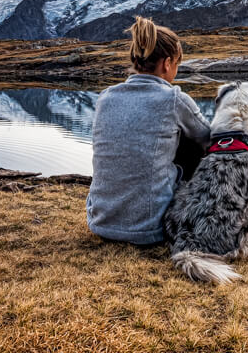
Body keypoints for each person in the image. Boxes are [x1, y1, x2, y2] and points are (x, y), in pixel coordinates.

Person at [86, 16, 211, 246]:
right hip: (149, 230)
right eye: (176, 65)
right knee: (193, 141)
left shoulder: (106, 97)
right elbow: (208, 141)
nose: (175, 71)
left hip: (100, 222)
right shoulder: (174, 99)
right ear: (166, 63)